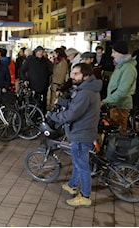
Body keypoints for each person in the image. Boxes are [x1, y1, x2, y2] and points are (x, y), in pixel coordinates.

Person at [47, 63, 102, 208]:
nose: (72, 76)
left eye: (76, 73)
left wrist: (53, 115)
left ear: (86, 75)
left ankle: (85, 196)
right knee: (78, 162)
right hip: (83, 130)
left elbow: (72, 114)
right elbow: (76, 105)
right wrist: (63, 101)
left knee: (82, 165)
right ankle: (72, 185)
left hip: (81, 132)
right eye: (73, 73)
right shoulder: (88, 89)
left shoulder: (85, 92)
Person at [101, 41, 137, 132]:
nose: (112, 55)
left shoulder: (128, 68)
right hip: (115, 105)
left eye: (114, 52)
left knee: (119, 135)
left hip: (121, 105)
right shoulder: (120, 66)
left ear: (121, 53)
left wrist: (106, 101)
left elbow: (123, 90)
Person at [20, 46, 53, 112]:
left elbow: (50, 71)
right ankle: (34, 117)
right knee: (33, 102)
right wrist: (25, 80)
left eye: (42, 51)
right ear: (36, 52)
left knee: (43, 103)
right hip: (33, 86)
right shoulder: (30, 60)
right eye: (39, 51)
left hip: (44, 86)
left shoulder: (45, 61)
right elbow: (22, 70)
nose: (41, 53)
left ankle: (42, 116)